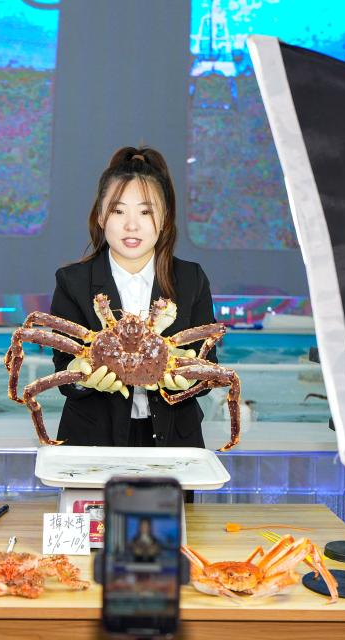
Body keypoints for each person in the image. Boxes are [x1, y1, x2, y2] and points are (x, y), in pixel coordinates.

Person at [49, 146, 217, 448]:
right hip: (92, 440)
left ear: (164, 219)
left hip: (176, 440)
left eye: (145, 211)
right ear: (101, 216)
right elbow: (63, 368)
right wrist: (78, 376)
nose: (131, 225)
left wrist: (190, 380)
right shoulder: (73, 281)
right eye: (118, 211)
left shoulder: (190, 279)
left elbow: (209, 367)